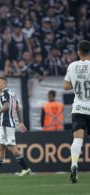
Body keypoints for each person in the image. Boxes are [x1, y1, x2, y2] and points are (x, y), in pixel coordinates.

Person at [0, 76, 32, 176]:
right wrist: (20, 122)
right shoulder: (11, 93)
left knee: (11, 146)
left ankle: (26, 168)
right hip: (5, 124)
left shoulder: (3, 94)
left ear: (4, 84)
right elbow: (18, 108)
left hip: (7, 123)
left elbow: (6, 106)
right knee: (0, 145)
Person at [63, 40, 90, 183]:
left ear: (79, 52)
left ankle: (74, 164)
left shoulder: (72, 66)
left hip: (78, 107)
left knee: (78, 139)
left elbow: (66, 86)